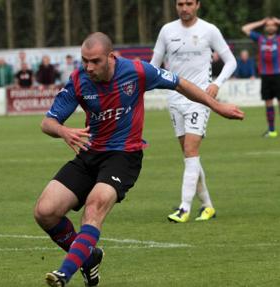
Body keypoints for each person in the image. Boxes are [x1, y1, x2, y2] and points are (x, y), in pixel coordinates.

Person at [34, 32, 244, 287]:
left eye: (95, 61)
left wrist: (217, 106)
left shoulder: (137, 71)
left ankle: (64, 274)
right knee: (45, 212)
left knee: (94, 206)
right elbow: (48, 122)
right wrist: (63, 131)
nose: (88, 67)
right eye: (84, 60)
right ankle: (89, 259)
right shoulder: (79, 81)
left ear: (111, 57)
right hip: (90, 152)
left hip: (124, 155)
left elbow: (180, 83)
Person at [150, 0, 237, 223]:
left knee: (191, 151)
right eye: (180, 3)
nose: (184, 8)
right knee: (191, 157)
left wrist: (217, 84)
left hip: (199, 99)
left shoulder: (209, 30)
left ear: (197, 5)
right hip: (174, 99)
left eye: (189, 3)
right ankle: (207, 206)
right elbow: (154, 65)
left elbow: (231, 61)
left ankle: (184, 208)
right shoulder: (167, 31)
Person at [242, 17, 280, 138]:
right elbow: (245, 28)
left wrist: (277, 20)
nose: (270, 27)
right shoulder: (260, 38)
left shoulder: (279, 39)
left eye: (272, 25)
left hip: (278, 74)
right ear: (264, 27)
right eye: (267, 25)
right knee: (268, 104)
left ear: (276, 27)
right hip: (265, 75)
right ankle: (272, 131)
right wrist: (261, 21)